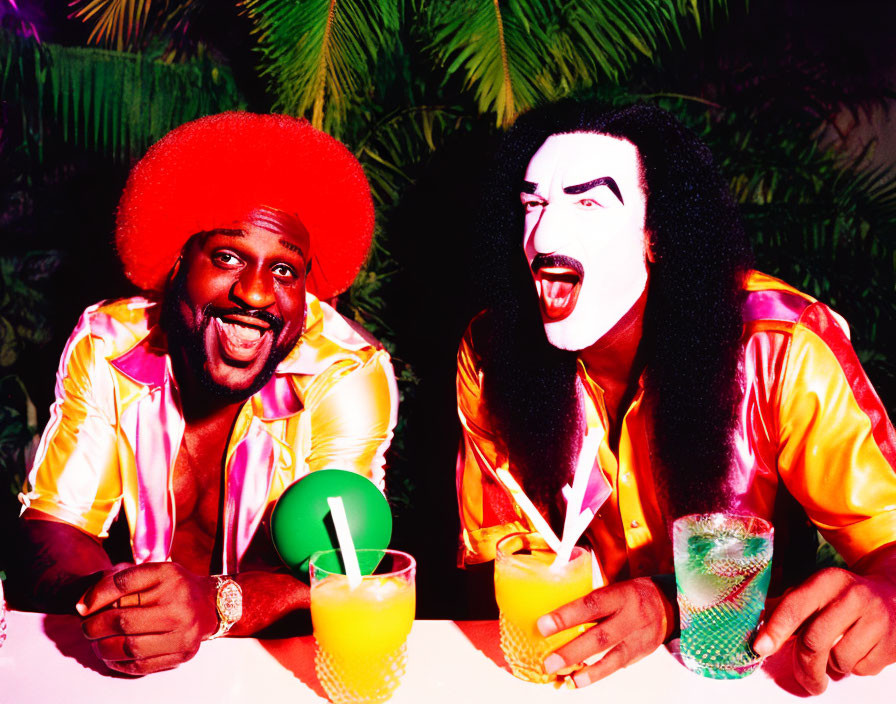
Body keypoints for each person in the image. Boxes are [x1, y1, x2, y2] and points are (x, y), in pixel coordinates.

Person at [455, 101, 896, 694]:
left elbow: (888, 539)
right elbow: (508, 560)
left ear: (657, 235)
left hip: (745, 674)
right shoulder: (490, 354)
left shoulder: (780, 349)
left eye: (587, 204)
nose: (544, 234)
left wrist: (886, 596)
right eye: (533, 204)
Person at [11, 112, 398, 674]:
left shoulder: (346, 372)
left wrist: (215, 604)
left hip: (276, 666)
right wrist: (113, 598)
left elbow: (345, 574)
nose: (257, 292)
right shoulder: (110, 343)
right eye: (228, 258)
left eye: (285, 271)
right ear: (175, 265)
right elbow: (56, 522)